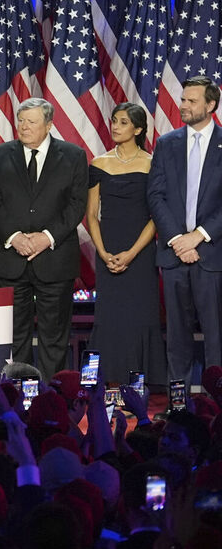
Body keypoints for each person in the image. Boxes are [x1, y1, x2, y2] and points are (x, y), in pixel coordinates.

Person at [0, 98, 88, 380]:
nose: (24, 127)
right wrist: (15, 236)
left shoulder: (73, 155)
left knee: (53, 337)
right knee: (13, 336)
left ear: (49, 125)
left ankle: (50, 398)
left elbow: (77, 205)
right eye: (21, 121)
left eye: (31, 122)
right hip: (10, 258)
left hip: (54, 260)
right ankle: (15, 394)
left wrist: (47, 237)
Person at [147, 77, 222, 382]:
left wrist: (198, 237)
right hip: (174, 254)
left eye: (192, 101)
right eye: (183, 100)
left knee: (216, 338)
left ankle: (217, 406)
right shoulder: (167, 143)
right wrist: (178, 239)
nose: (183, 106)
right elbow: (155, 194)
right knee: (177, 336)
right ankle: (178, 405)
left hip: (211, 255)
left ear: (211, 105)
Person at [85, 103, 162, 385]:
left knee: (139, 317)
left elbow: (157, 216)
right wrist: (103, 253)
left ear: (138, 129)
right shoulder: (99, 163)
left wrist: (131, 253)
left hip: (141, 252)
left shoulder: (152, 163)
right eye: (114, 121)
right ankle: (107, 383)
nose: (116, 127)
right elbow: (92, 214)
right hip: (108, 249)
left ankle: (139, 385)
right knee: (110, 318)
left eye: (123, 122)